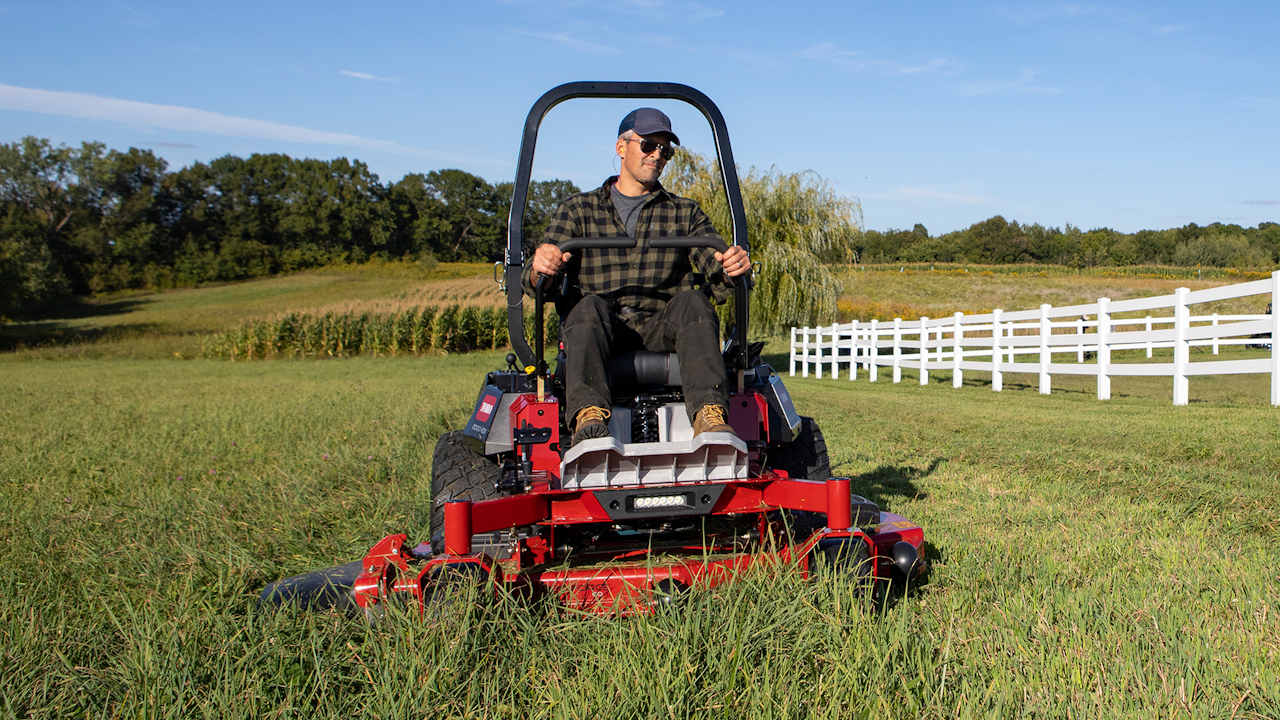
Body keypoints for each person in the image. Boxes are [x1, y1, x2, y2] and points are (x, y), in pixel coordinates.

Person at [523, 107, 752, 446]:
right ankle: (589, 419)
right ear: (621, 148)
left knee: (693, 300)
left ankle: (709, 416)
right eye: (648, 145)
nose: (657, 155)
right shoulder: (577, 210)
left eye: (665, 150)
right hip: (605, 328)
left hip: (664, 326)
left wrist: (732, 267)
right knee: (585, 307)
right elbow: (539, 281)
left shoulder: (684, 212)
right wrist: (542, 265)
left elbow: (715, 267)